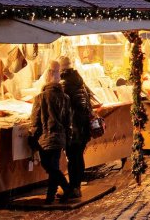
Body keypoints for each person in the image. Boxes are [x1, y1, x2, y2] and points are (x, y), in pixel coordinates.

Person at [29, 61, 75, 204]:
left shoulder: (40, 97)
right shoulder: (65, 98)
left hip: (45, 137)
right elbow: (68, 121)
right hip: (59, 137)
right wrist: (67, 137)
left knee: (49, 167)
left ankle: (66, 189)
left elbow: (35, 120)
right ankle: (51, 196)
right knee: (53, 166)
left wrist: (32, 136)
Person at [59, 56, 93, 198]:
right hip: (82, 127)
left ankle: (74, 188)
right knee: (77, 158)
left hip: (74, 129)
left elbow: (64, 108)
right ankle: (76, 187)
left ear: (61, 69)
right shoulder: (79, 82)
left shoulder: (66, 84)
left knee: (73, 159)